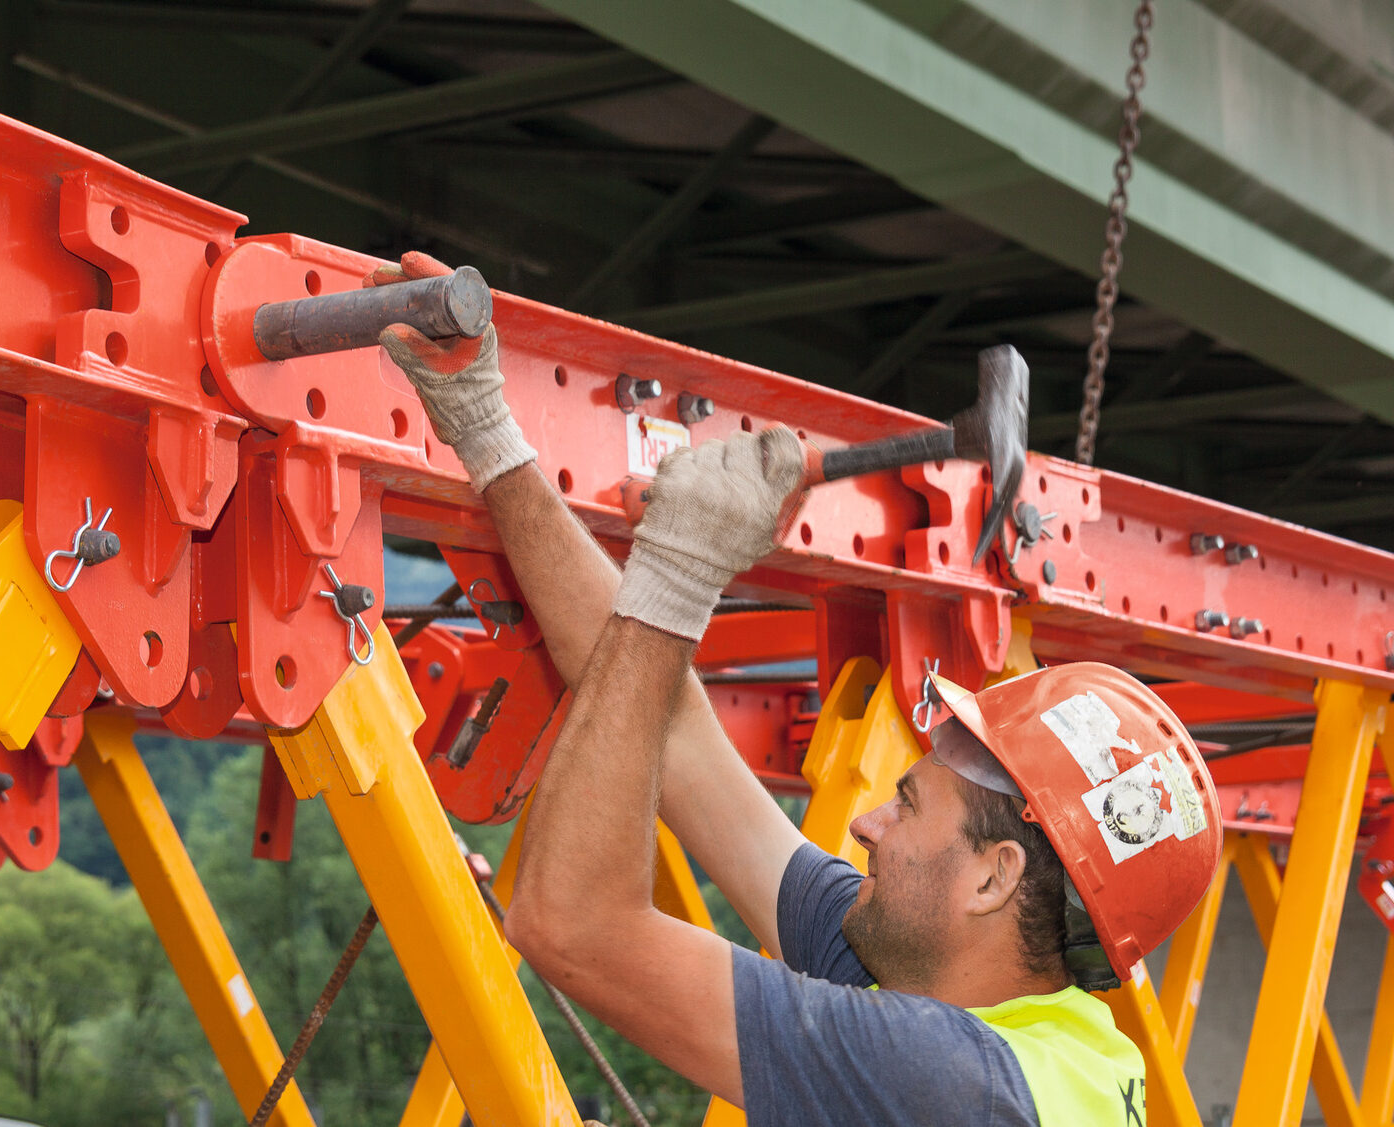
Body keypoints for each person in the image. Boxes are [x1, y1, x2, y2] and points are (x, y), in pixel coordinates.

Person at [368, 253, 1222, 1126]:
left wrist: (681, 568)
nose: (864, 821)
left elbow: (571, 924)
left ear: (995, 876)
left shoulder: (951, 1082)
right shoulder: (1028, 1034)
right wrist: (488, 433)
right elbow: (675, 733)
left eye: (907, 803)